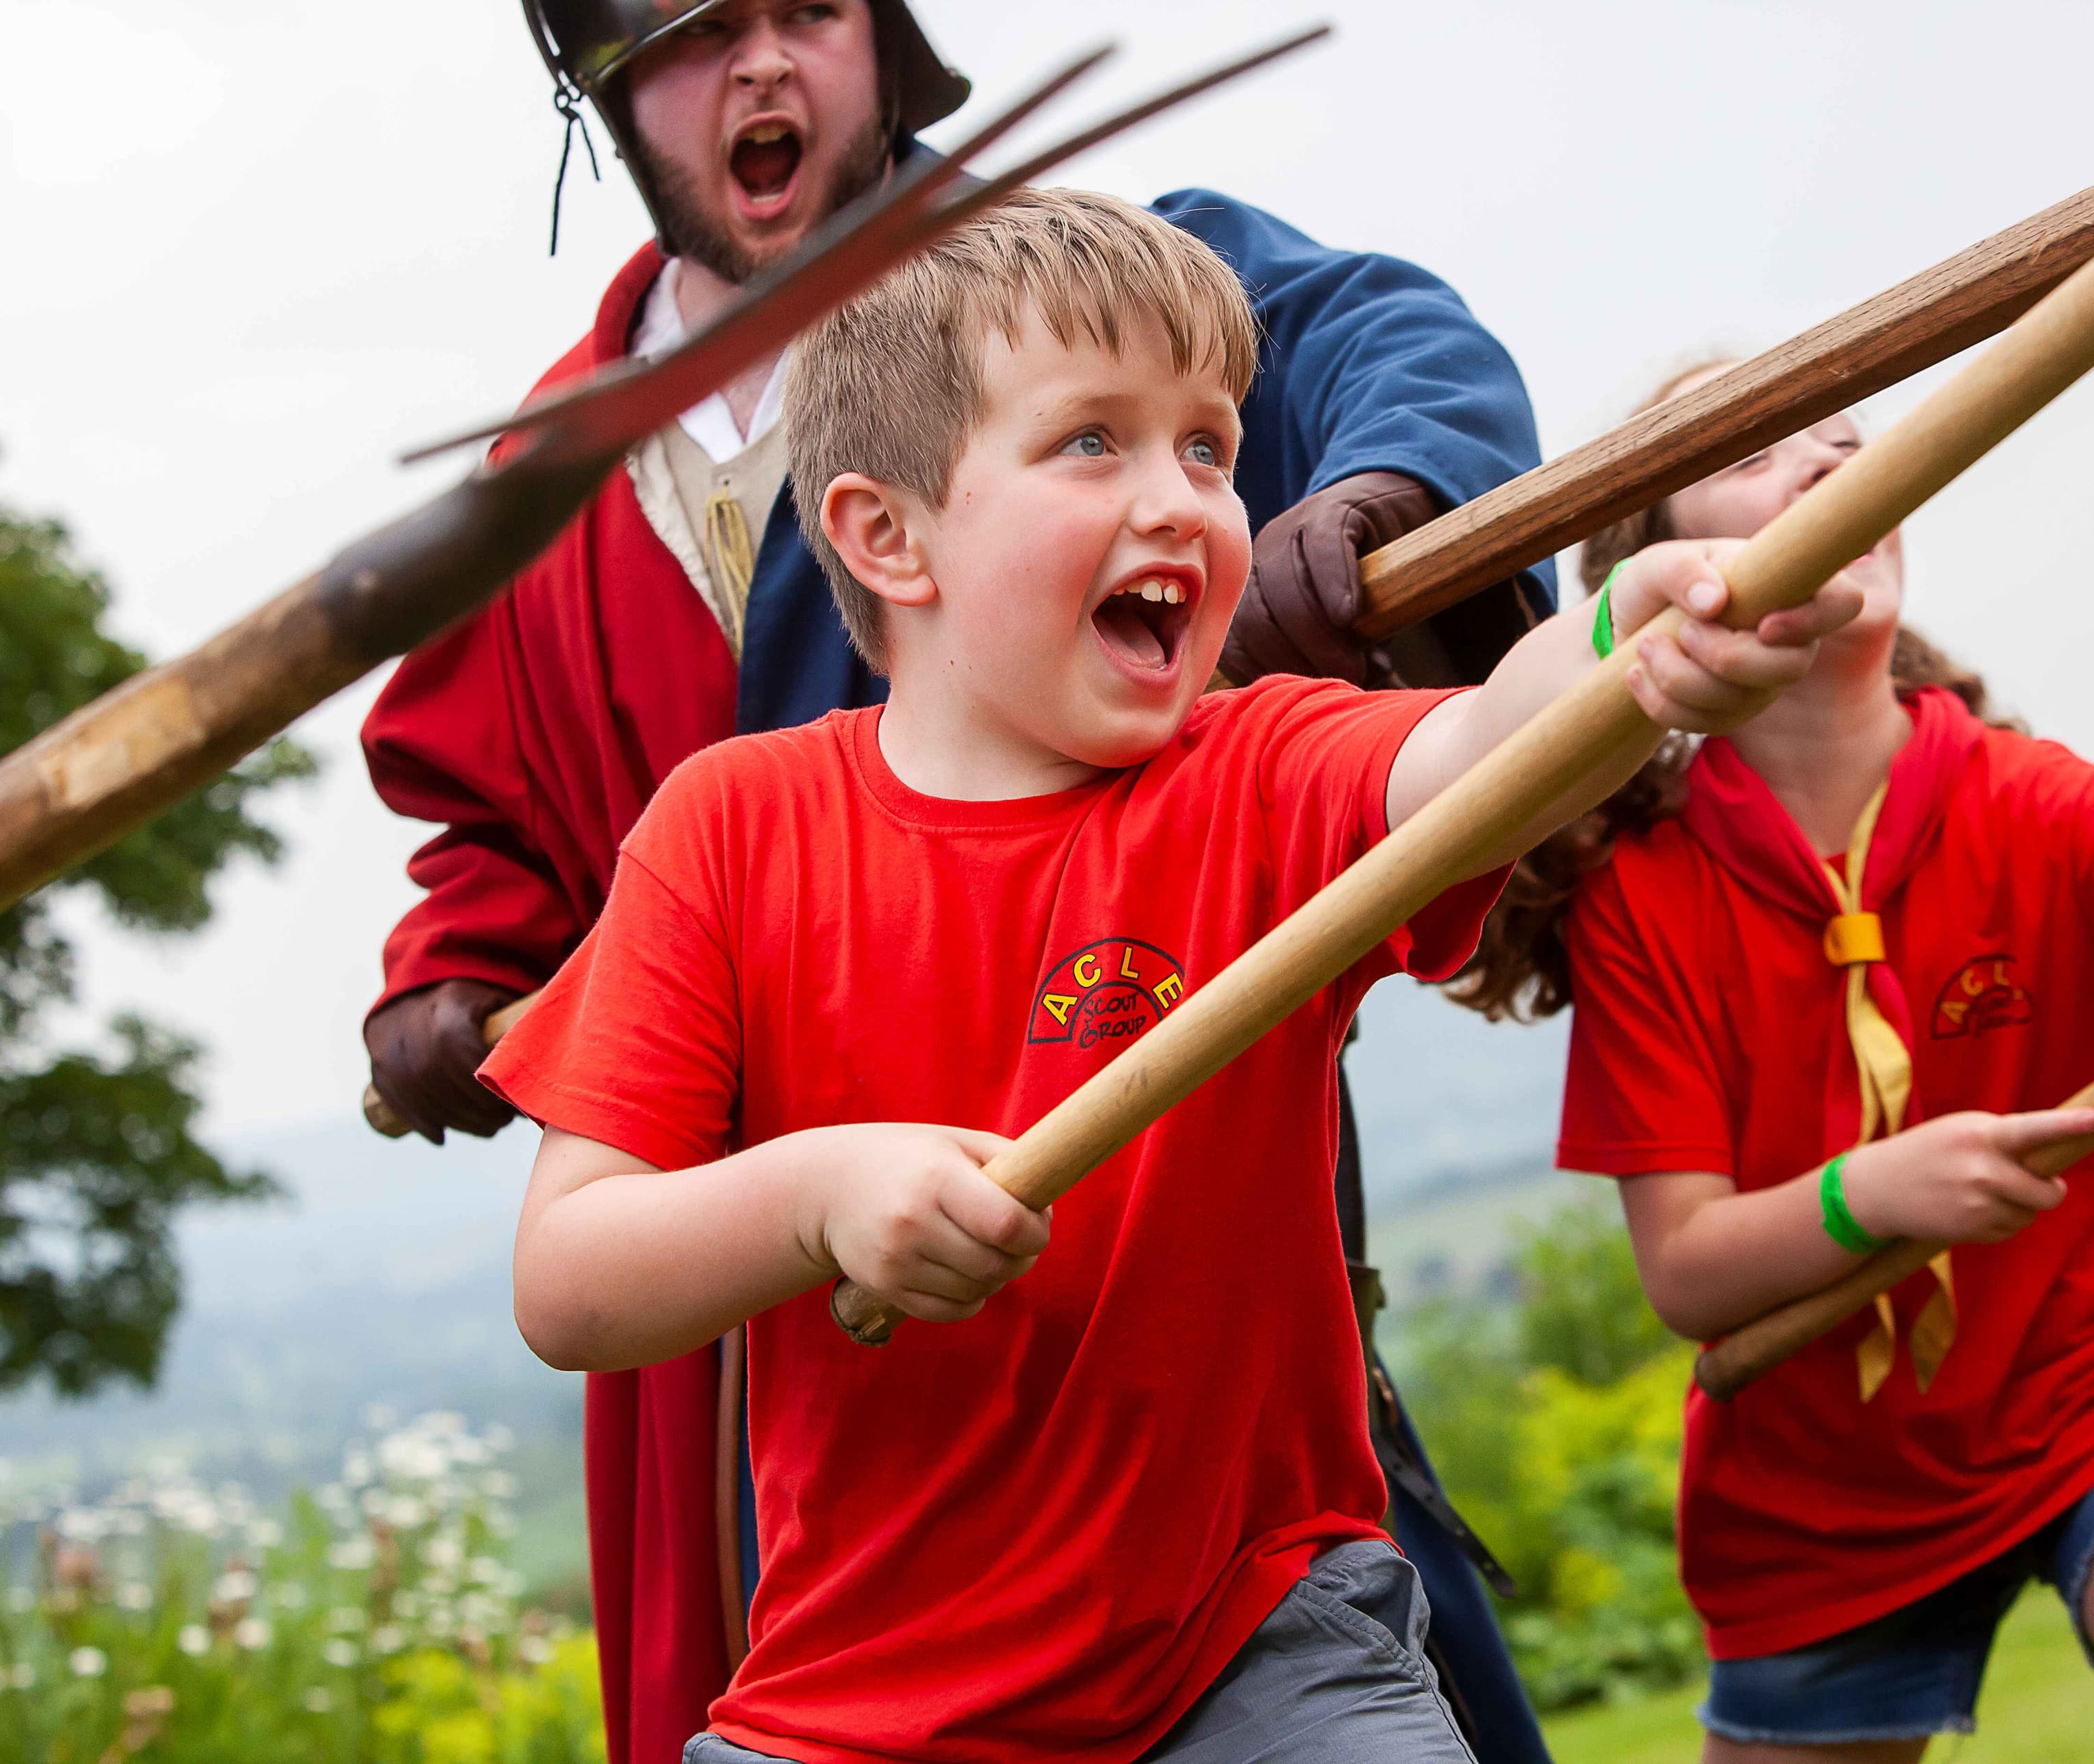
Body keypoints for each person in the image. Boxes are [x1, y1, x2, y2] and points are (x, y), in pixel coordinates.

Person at [484, 191, 1855, 1763]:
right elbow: (570, 1279)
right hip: (857, 1704)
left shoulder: (1256, 770)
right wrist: (815, 1193)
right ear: (886, 533)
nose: (1186, 503)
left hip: (1264, 1650)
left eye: (1210, 448)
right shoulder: (728, 832)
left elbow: (1490, 742)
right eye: (1095, 444)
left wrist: (1626, 636)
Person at [362, 4, 1562, 1758]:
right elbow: (490, 805)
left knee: (1288, 1630)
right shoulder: (551, 474)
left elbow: (1384, 345)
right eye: (698, 30)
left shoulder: (1071, 292)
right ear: (614, 90)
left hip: (1158, 1135)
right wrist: (453, 965)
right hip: (742, 1270)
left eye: (806, 12)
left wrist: (1384, 496)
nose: (762, 69)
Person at [1449, 360, 2094, 1763]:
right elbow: (1687, 1270)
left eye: (1851, 437)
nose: (1835, 464)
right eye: (1767, 454)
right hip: (1812, 1491)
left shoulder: (2036, 800)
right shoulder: (1648, 893)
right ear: (1667, 578)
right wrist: (1869, 1194)